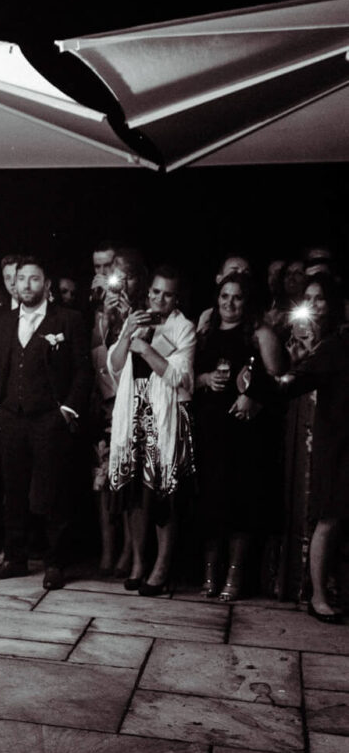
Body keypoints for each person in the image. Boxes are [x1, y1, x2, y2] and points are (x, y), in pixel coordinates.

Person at [0, 252, 91, 589]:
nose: (25, 285)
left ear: (46, 284)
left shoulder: (67, 320)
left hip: (48, 419)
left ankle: (55, 563)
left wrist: (67, 411)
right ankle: (15, 559)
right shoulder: (2, 322)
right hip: (11, 418)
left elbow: (83, 371)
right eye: (20, 279)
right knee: (12, 491)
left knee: (52, 492)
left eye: (33, 279)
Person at [193, 272, 283, 599]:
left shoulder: (259, 333)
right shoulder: (206, 332)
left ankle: (234, 575)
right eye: (224, 296)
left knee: (240, 503)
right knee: (211, 501)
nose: (230, 303)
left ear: (248, 301)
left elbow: (278, 381)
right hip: (210, 427)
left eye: (237, 297)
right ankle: (209, 573)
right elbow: (191, 374)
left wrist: (253, 395)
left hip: (244, 431)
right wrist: (204, 378)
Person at [108, 264, 196, 594]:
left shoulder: (183, 327)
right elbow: (114, 367)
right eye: (155, 291)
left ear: (176, 298)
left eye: (167, 294)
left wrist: (146, 348)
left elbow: (179, 378)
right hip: (133, 410)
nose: (160, 298)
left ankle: (161, 566)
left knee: (163, 494)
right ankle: (137, 562)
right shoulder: (137, 320)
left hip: (164, 415)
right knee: (133, 494)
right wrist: (128, 332)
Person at [272, 276, 349, 621]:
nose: (315, 305)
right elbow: (290, 385)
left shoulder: (339, 341)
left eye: (321, 299)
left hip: (343, 437)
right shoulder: (329, 347)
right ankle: (318, 597)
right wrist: (294, 361)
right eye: (309, 298)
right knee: (329, 517)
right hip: (336, 442)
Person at [92, 247, 148, 577]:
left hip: (131, 402)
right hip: (105, 403)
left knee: (129, 481)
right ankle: (108, 549)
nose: (119, 280)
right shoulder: (102, 308)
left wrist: (127, 318)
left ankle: (130, 550)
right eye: (115, 273)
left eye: (124, 273)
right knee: (103, 481)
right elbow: (97, 355)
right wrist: (104, 316)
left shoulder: (143, 309)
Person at [195, 253, 253, 333]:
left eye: (245, 273)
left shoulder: (258, 322)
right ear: (219, 279)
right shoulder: (207, 316)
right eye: (234, 272)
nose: (240, 277)